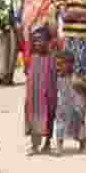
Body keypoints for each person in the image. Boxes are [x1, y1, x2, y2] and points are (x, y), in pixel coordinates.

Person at [24, 25, 58, 156]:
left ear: (48, 42)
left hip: (48, 97)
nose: (38, 43)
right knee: (33, 119)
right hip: (33, 98)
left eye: (41, 40)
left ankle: (47, 143)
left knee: (49, 119)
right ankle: (34, 145)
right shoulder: (32, 58)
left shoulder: (52, 59)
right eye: (35, 40)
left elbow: (55, 78)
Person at [54, 50, 86, 153]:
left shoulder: (75, 77)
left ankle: (82, 142)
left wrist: (84, 104)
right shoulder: (57, 77)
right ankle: (59, 146)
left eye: (60, 64)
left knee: (79, 125)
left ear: (70, 65)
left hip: (75, 107)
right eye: (57, 65)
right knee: (60, 125)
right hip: (62, 106)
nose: (58, 67)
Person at [20, 0, 53, 69]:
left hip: (42, 27)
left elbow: (49, 12)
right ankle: (31, 72)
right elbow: (23, 12)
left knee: (42, 52)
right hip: (29, 28)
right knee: (30, 51)